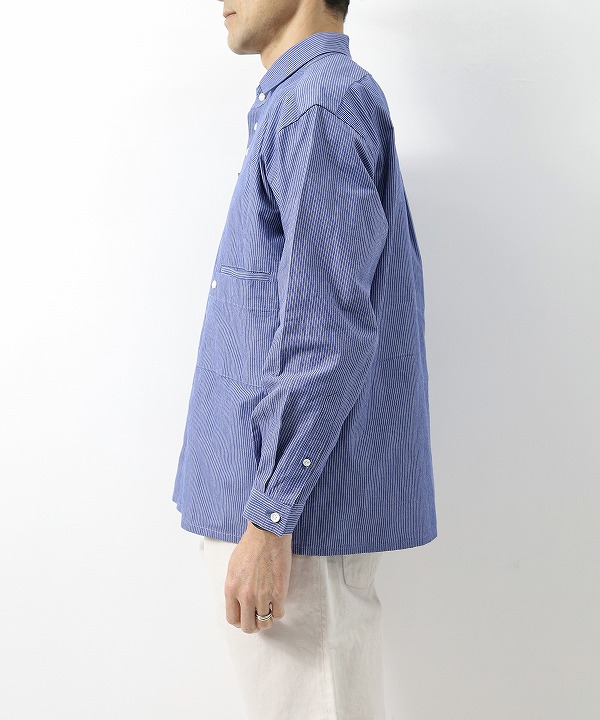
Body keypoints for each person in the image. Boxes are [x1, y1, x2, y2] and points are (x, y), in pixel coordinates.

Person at [172, 1, 438, 717]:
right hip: (288, 519)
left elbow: (330, 333)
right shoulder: (303, 102)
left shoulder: (314, 107)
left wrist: (269, 519)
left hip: (295, 528)